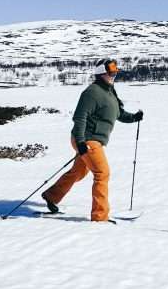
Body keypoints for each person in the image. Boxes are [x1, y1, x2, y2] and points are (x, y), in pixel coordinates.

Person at [41, 59, 143, 222]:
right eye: (111, 71)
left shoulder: (110, 92)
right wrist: (81, 142)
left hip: (91, 139)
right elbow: (80, 117)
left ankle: (51, 196)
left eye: (115, 71)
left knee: (79, 172)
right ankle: (99, 216)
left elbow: (118, 114)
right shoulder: (92, 92)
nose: (114, 74)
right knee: (102, 173)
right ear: (101, 72)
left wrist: (134, 117)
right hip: (87, 139)